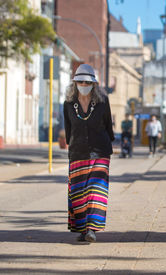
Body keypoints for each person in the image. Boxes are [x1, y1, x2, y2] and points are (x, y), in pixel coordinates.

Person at [63, 64, 114, 243]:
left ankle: (91, 229)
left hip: (100, 151)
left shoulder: (102, 102)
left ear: (94, 84)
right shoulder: (69, 104)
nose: (84, 84)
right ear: (75, 83)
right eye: (80, 81)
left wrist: (110, 144)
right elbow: (68, 129)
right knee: (78, 193)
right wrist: (70, 146)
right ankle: (82, 229)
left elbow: (108, 124)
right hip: (77, 152)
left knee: (96, 191)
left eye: (87, 81)